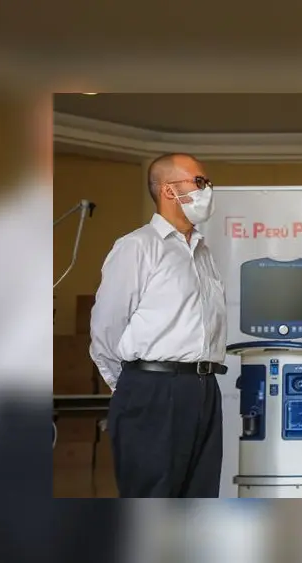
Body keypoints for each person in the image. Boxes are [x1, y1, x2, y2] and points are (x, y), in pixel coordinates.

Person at [90, 152, 227, 498]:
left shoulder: (202, 252)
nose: (206, 190)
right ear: (168, 190)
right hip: (153, 388)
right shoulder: (137, 247)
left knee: (200, 496)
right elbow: (106, 328)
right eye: (199, 182)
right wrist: (133, 386)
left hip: (204, 388)